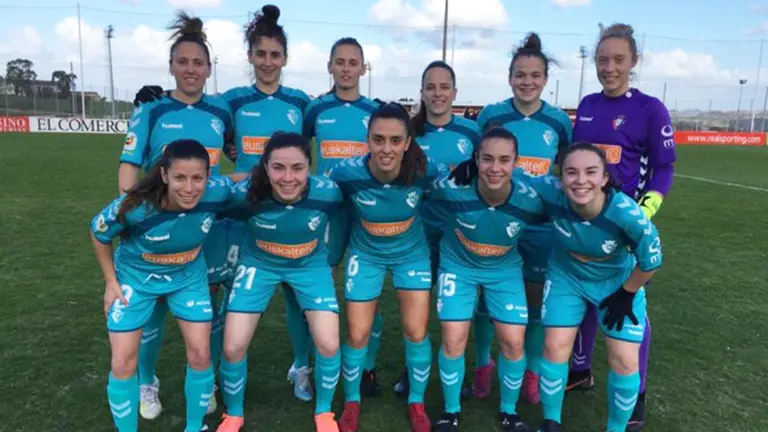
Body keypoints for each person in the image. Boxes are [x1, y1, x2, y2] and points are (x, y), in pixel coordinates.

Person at [131, 5, 317, 403]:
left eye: (275, 55)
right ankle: (210, 378)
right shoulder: (229, 103)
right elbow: (195, 113)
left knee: (296, 294)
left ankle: (301, 366)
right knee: (218, 292)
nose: (268, 62)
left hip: (290, 210)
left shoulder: (303, 104)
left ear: (285, 58)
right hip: (231, 211)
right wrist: (153, 96)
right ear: (249, 56)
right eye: (260, 54)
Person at [120, 12, 233, 420]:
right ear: (171, 66)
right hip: (156, 225)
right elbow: (129, 165)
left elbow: (235, 159)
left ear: (208, 68)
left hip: (207, 227)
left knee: (208, 305)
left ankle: (209, 378)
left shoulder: (222, 112)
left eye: (198, 62)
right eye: (182, 62)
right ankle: (147, 381)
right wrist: (130, 211)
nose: (190, 69)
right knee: (152, 309)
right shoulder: (151, 110)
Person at [566, 23, 676, 431]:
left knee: (628, 304)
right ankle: (580, 369)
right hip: (587, 223)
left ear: (633, 62)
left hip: (627, 227)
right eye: (602, 60)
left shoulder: (650, 109)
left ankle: (638, 392)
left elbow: (664, 168)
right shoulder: (589, 105)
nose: (609, 68)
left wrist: (645, 209)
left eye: (618, 60)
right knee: (587, 296)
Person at [93, 139, 233, 432]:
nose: (190, 188)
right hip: (136, 282)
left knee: (200, 353)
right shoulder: (135, 207)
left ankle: (195, 427)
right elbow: (99, 232)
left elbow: (243, 181)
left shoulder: (217, 193)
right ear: (165, 175)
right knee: (122, 362)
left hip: (188, 279)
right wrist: (110, 281)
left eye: (198, 178)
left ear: (209, 177)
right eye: (180, 177)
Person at [215, 132, 343, 432]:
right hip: (259, 264)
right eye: (278, 168)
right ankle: (233, 413)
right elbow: (203, 200)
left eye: (297, 168)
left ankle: (324, 412)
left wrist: (332, 257)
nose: (288, 178)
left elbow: (348, 214)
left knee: (328, 342)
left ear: (309, 167)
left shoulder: (329, 192)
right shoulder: (244, 193)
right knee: (233, 346)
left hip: (310, 265)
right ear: (265, 167)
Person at [533, 142, 663, 432]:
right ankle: (551, 421)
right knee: (554, 347)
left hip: (616, 281)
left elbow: (652, 260)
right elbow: (506, 176)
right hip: (567, 276)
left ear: (605, 178)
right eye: (571, 172)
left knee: (625, 360)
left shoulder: (627, 214)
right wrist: (473, 167)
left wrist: (626, 293)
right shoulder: (550, 192)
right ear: (560, 176)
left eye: (591, 172)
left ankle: (616, 429)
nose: (580, 180)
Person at [330, 103, 444, 432]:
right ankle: (352, 401)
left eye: (395, 140)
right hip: (365, 255)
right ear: (367, 139)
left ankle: (417, 402)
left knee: (416, 331)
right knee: (357, 333)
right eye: (378, 139)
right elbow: (321, 197)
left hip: (411, 254)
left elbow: (458, 189)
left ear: (408, 142)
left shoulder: (426, 170)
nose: (386, 149)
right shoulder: (346, 173)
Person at [475, 32, 572, 404]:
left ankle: (531, 372)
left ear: (545, 79)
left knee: (533, 307)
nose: (527, 81)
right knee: (486, 301)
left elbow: (565, 173)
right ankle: (483, 367)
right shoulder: (492, 116)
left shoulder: (559, 122)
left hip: (540, 228)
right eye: (520, 74)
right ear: (509, 77)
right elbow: (478, 165)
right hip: (496, 223)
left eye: (534, 75)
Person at [430, 126, 545, 432]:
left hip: (504, 270)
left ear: (516, 162)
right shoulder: (451, 186)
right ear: (476, 159)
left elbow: (570, 211)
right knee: (453, 338)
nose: (495, 168)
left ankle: (509, 412)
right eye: (488, 159)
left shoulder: (530, 199)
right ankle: (451, 411)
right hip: (458, 267)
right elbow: (416, 193)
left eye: (504, 160)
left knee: (513, 340)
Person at [393, 60, 484, 400]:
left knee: (454, 311)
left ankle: (454, 371)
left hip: (458, 236)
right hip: (415, 233)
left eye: (444, 87)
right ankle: (410, 367)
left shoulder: (472, 133)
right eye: (430, 87)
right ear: (422, 92)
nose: (438, 93)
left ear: (455, 92)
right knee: (415, 309)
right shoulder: (410, 132)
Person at [303, 37, 383, 398]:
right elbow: (297, 155)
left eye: (354, 62)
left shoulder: (376, 111)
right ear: (330, 66)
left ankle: (367, 367)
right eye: (340, 62)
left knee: (370, 292)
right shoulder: (315, 110)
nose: (347, 69)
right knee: (320, 287)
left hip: (368, 211)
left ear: (363, 69)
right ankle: (315, 362)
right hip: (328, 213)